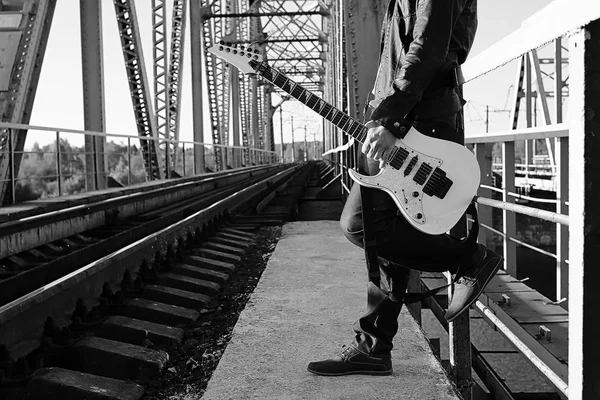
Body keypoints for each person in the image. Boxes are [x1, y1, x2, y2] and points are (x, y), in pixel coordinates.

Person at [307, 0, 503, 376]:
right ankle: (374, 348)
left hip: (419, 126)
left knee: (361, 224)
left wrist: (390, 119)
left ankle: (467, 260)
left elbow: (428, 48)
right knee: (386, 236)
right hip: (404, 121)